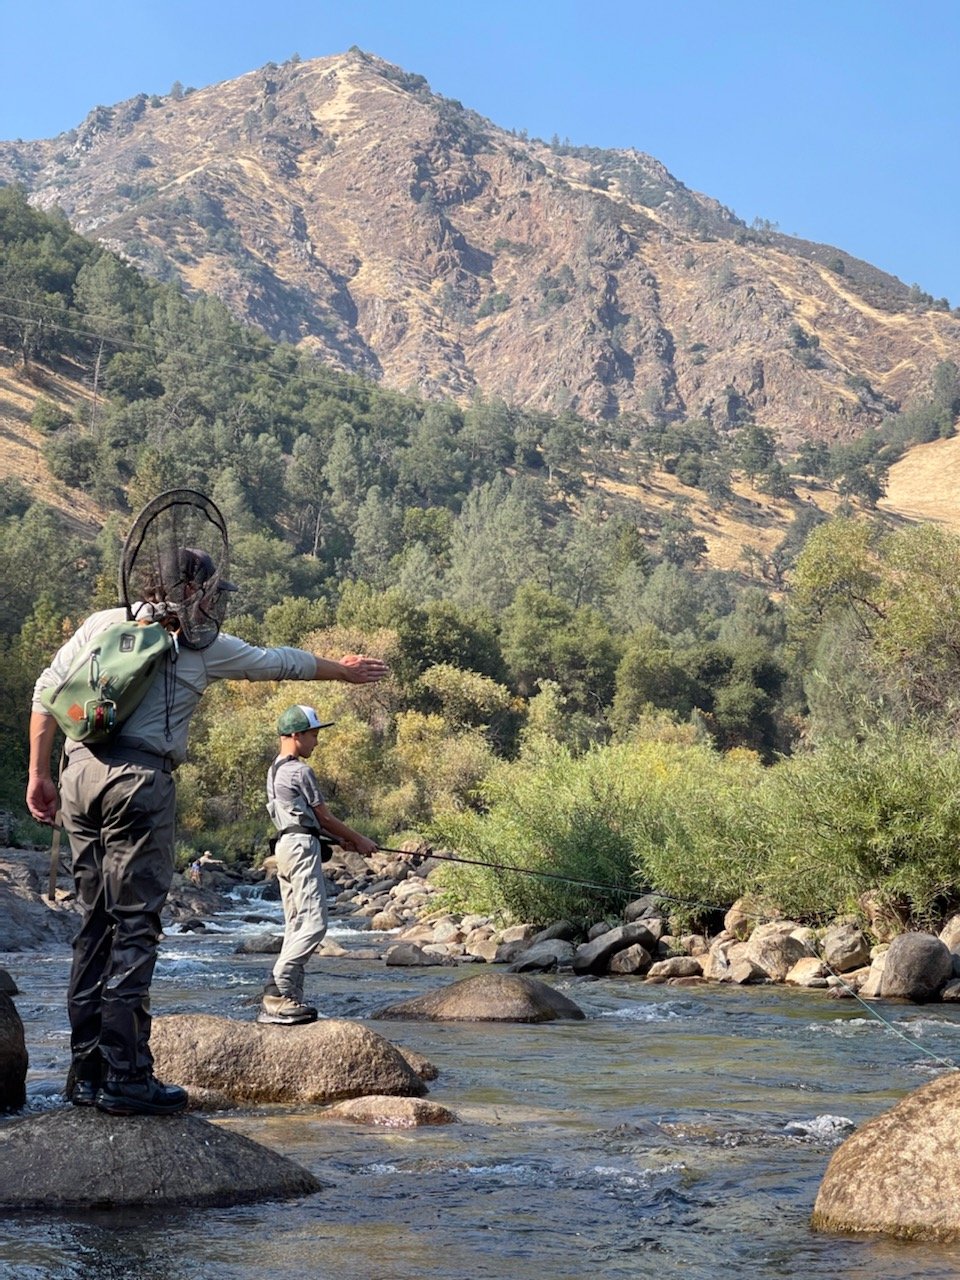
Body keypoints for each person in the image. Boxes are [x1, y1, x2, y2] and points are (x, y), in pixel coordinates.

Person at [26, 557, 388, 1117]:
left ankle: (86, 1074)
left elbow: (46, 693)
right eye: (214, 592)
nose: (217, 602)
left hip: (78, 777)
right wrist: (341, 671)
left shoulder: (102, 623)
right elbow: (277, 662)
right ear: (193, 589)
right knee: (135, 926)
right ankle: (126, 1077)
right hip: (139, 783)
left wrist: (39, 774)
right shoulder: (200, 645)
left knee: (94, 925)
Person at [260, 704, 378, 1025]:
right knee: (314, 924)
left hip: (286, 846)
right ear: (295, 735)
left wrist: (341, 840)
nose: (316, 741)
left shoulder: (274, 770)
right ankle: (277, 992)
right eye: (313, 734)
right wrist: (360, 839)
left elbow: (303, 820)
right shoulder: (300, 771)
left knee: (296, 923)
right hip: (301, 848)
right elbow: (324, 817)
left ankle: (288, 998)